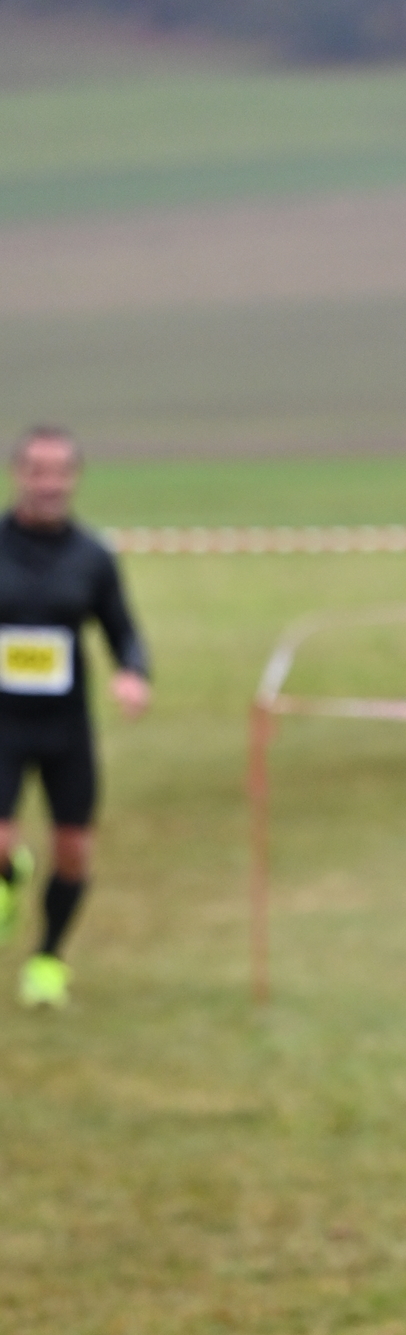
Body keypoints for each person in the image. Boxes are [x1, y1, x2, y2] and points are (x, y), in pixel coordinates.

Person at [0, 426, 152, 1009]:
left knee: (74, 852)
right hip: (3, 723)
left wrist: (132, 672)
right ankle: (9, 876)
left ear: (74, 478)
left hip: (65, 728)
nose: (48, 483)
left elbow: (123, 629)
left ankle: (47, 960)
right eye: (37, 470)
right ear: (18, 474)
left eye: (59, 471)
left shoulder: (91, 557)